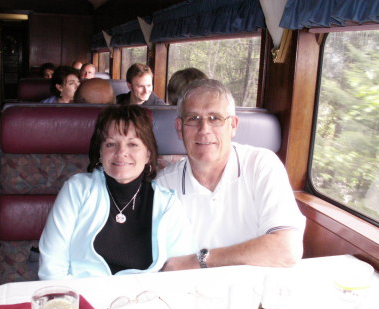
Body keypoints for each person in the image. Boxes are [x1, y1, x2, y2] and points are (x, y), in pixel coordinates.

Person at [156, 79, 306, 271]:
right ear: (179, 128)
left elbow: (286, 249)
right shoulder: (163, 185)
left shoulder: (261, 165)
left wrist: (200, 260)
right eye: (193, 118)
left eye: (215, 118)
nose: (204, 130)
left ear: (233, 125)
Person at [38, 105, 195, 279]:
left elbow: (181, 275)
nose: (121, 152)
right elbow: (51, 270)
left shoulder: (167, 206)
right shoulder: (76, 191)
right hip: (82, 301)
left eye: (133, 144)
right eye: (111, 144)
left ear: (148, 155)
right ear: (100, 152)